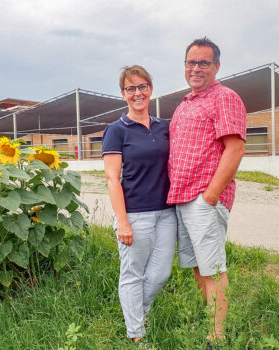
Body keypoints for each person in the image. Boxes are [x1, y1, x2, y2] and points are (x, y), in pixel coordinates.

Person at [167, 37, 246, 349]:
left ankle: (216, 338)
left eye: (203, 62)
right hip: (183, 197)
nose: (196, 68)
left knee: (213, 268)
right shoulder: (186, 103)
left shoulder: (224, 98)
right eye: (191, 62)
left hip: (203, 198)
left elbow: (235, 148)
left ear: (217, 66)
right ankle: (209, 322)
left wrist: (210, 196)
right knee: (200, 268)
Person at [102, 65, 177, 343]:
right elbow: (112, 179)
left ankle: (138, 313)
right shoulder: (116, 131)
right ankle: (136, 333)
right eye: (131, 88)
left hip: (166, 213)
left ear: (151, 89)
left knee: (160, 274)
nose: (138, 93)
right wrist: (122, 221)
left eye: (142, 86)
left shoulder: (165, 126)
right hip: (134, 214)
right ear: (123, 94)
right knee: (133, 274)